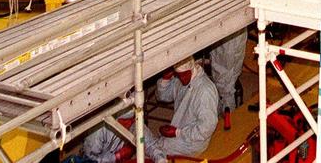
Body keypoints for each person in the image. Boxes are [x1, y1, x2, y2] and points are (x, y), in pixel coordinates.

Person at [82, 57, 219, 163]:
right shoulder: (96, 132)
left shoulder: (205, 91)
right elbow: (88, 161)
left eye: (133, 120)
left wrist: (162, 157)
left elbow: (151, 145)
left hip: (191, 139)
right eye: (129, 121)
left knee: (157, 148)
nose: (133, 124)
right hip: (100, 158)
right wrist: (117, 157)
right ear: (119, 118)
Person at [207, 29, 247, 115]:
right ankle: (230, 113)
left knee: (224, 82)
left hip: (225, 30)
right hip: (239, 26)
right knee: (231, 75)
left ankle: (227, 116)